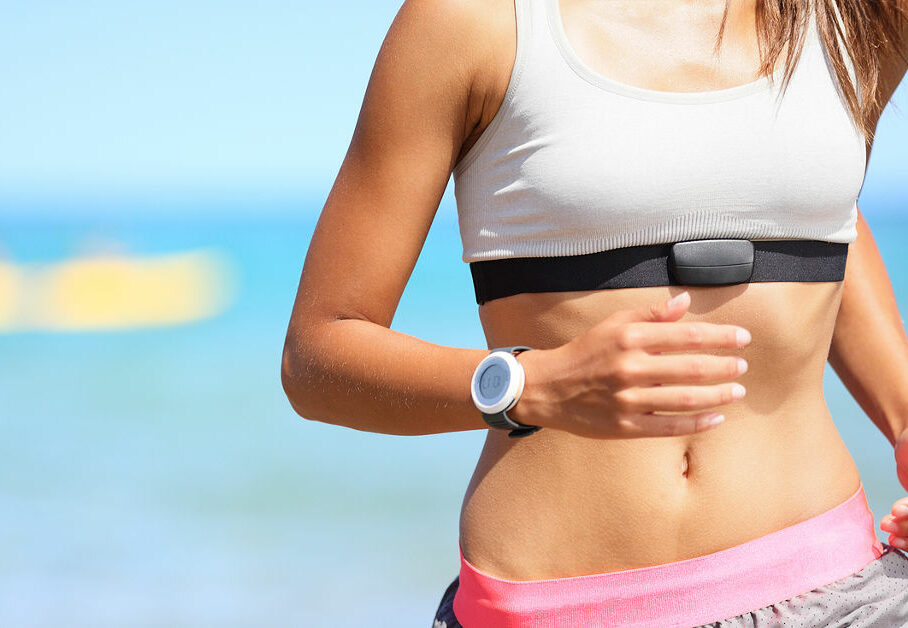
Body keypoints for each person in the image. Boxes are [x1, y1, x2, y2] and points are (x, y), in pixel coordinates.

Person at [280, 0, 908, 625]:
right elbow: (317, 357)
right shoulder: (471, 21)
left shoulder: (856, 14)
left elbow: (821, 216)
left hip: (834, 590)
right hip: (558, 607)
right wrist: (535, 385)